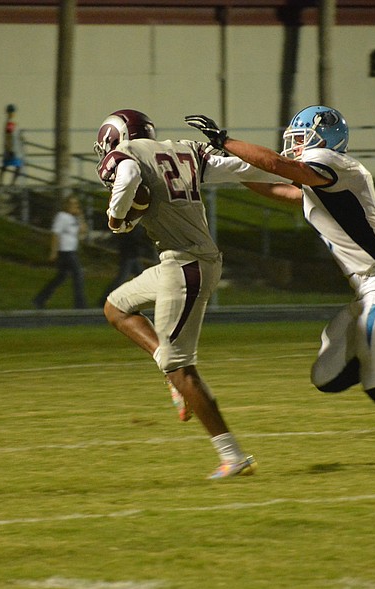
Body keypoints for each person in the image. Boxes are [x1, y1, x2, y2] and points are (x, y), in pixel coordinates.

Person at [186, 107, 375, 469]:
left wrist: (226, 140)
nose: (294, 143)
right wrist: (220, 162)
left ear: (324, 137)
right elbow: (275, 186)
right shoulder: (324, 181)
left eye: (301, 135)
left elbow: (280, 168)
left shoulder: (335, 164)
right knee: (326, 378)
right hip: (368, 291)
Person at [95, 109, 289, 479]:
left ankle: (234, 457)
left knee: (181, 367)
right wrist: (288, 180)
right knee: (116, 306)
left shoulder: (125, 157)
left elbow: (130, 175)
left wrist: (116, 216)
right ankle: (169, 373)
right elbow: (239, 169)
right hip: (181, 262)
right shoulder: (185, 150)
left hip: (187, 265)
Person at [33, 196, 87, 309]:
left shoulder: (74, 218)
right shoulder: (61, 217)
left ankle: (40, 299)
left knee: (61, 277)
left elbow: (83, 230)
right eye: (72, 204)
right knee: (78, 274)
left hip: (72, 251)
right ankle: (80, 304)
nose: (75, 207)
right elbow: (55, 234)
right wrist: (53, 251)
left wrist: (80, 216)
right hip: (65, 251)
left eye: (76, 204)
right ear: (66, 205)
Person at [97, 224, 150, 306]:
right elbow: (133, 238)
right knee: (121, 279)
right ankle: (105, 299)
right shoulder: (132, 225)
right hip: (130, 255)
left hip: (132, 255)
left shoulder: (131, 224)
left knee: (140, 277)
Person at [0, 104, 24, 186]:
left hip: (14, 148)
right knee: (16, 166)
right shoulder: (10, 123)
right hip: (12, 149)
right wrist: (10, 149)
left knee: (9, 165)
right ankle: (7, 183)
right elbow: (10, 137)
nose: (13, 113)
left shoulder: (12, 123)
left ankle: (3, 182)